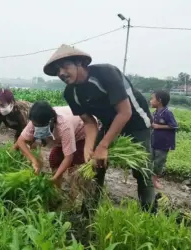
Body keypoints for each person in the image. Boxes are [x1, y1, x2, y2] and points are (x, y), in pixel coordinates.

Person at [43, 44, 156, 214]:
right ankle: (88, 212)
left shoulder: (106, 74)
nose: (61, 73)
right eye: (58, 70)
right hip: (110, 124)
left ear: (80, 62)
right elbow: (89, 122)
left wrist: (103, 146)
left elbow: (125, 112)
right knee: (96, 167)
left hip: (137, 123)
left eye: (65, 66)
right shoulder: (70, 93)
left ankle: (149, 216)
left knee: (142, 171)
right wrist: (90, 149)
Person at [16, 101, 92, 188]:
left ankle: (74, 189)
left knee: (75, 163)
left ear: (51, 120)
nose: (37, 128)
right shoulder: (35, 120)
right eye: (35, 125)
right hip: (66, 131)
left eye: (41, 125)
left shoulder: (64, 126)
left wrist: (55, 177)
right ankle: (57, 188)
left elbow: (68, 157)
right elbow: (20, 141)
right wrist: (34, 160)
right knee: (54, 159)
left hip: (83, 132)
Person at [150, 90, 178, 189]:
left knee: (158, 163)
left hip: (163, 144)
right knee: (149, 160)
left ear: (159, 100)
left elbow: (174, 126)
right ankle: (149, 179)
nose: (150, 101)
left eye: (152, 98)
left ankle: (154, 180)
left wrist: (158, 126)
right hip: (154, 142)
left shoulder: (167, 113)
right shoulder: (155, 113)